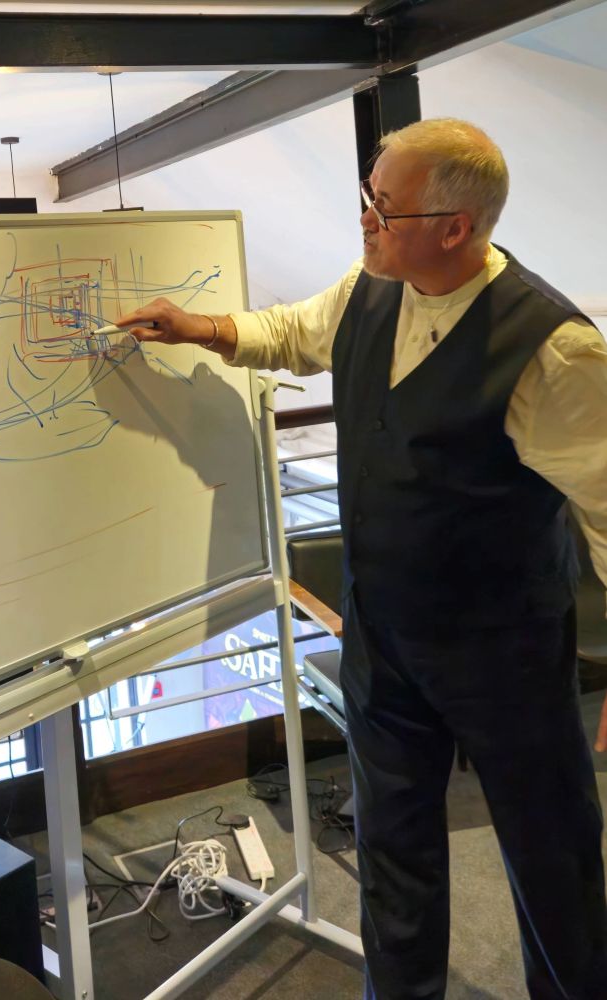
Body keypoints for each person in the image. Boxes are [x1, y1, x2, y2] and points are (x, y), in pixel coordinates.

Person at [115, 118, 607, 999]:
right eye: (367, 198)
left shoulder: (555, 350)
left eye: (384, 206)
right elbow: (294, 332)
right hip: (385, 642)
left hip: (508, 655)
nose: (366, 221)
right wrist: (202, 329)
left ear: (456, 227)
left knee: (553, 863)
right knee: (395, 863)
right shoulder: (367, 289)